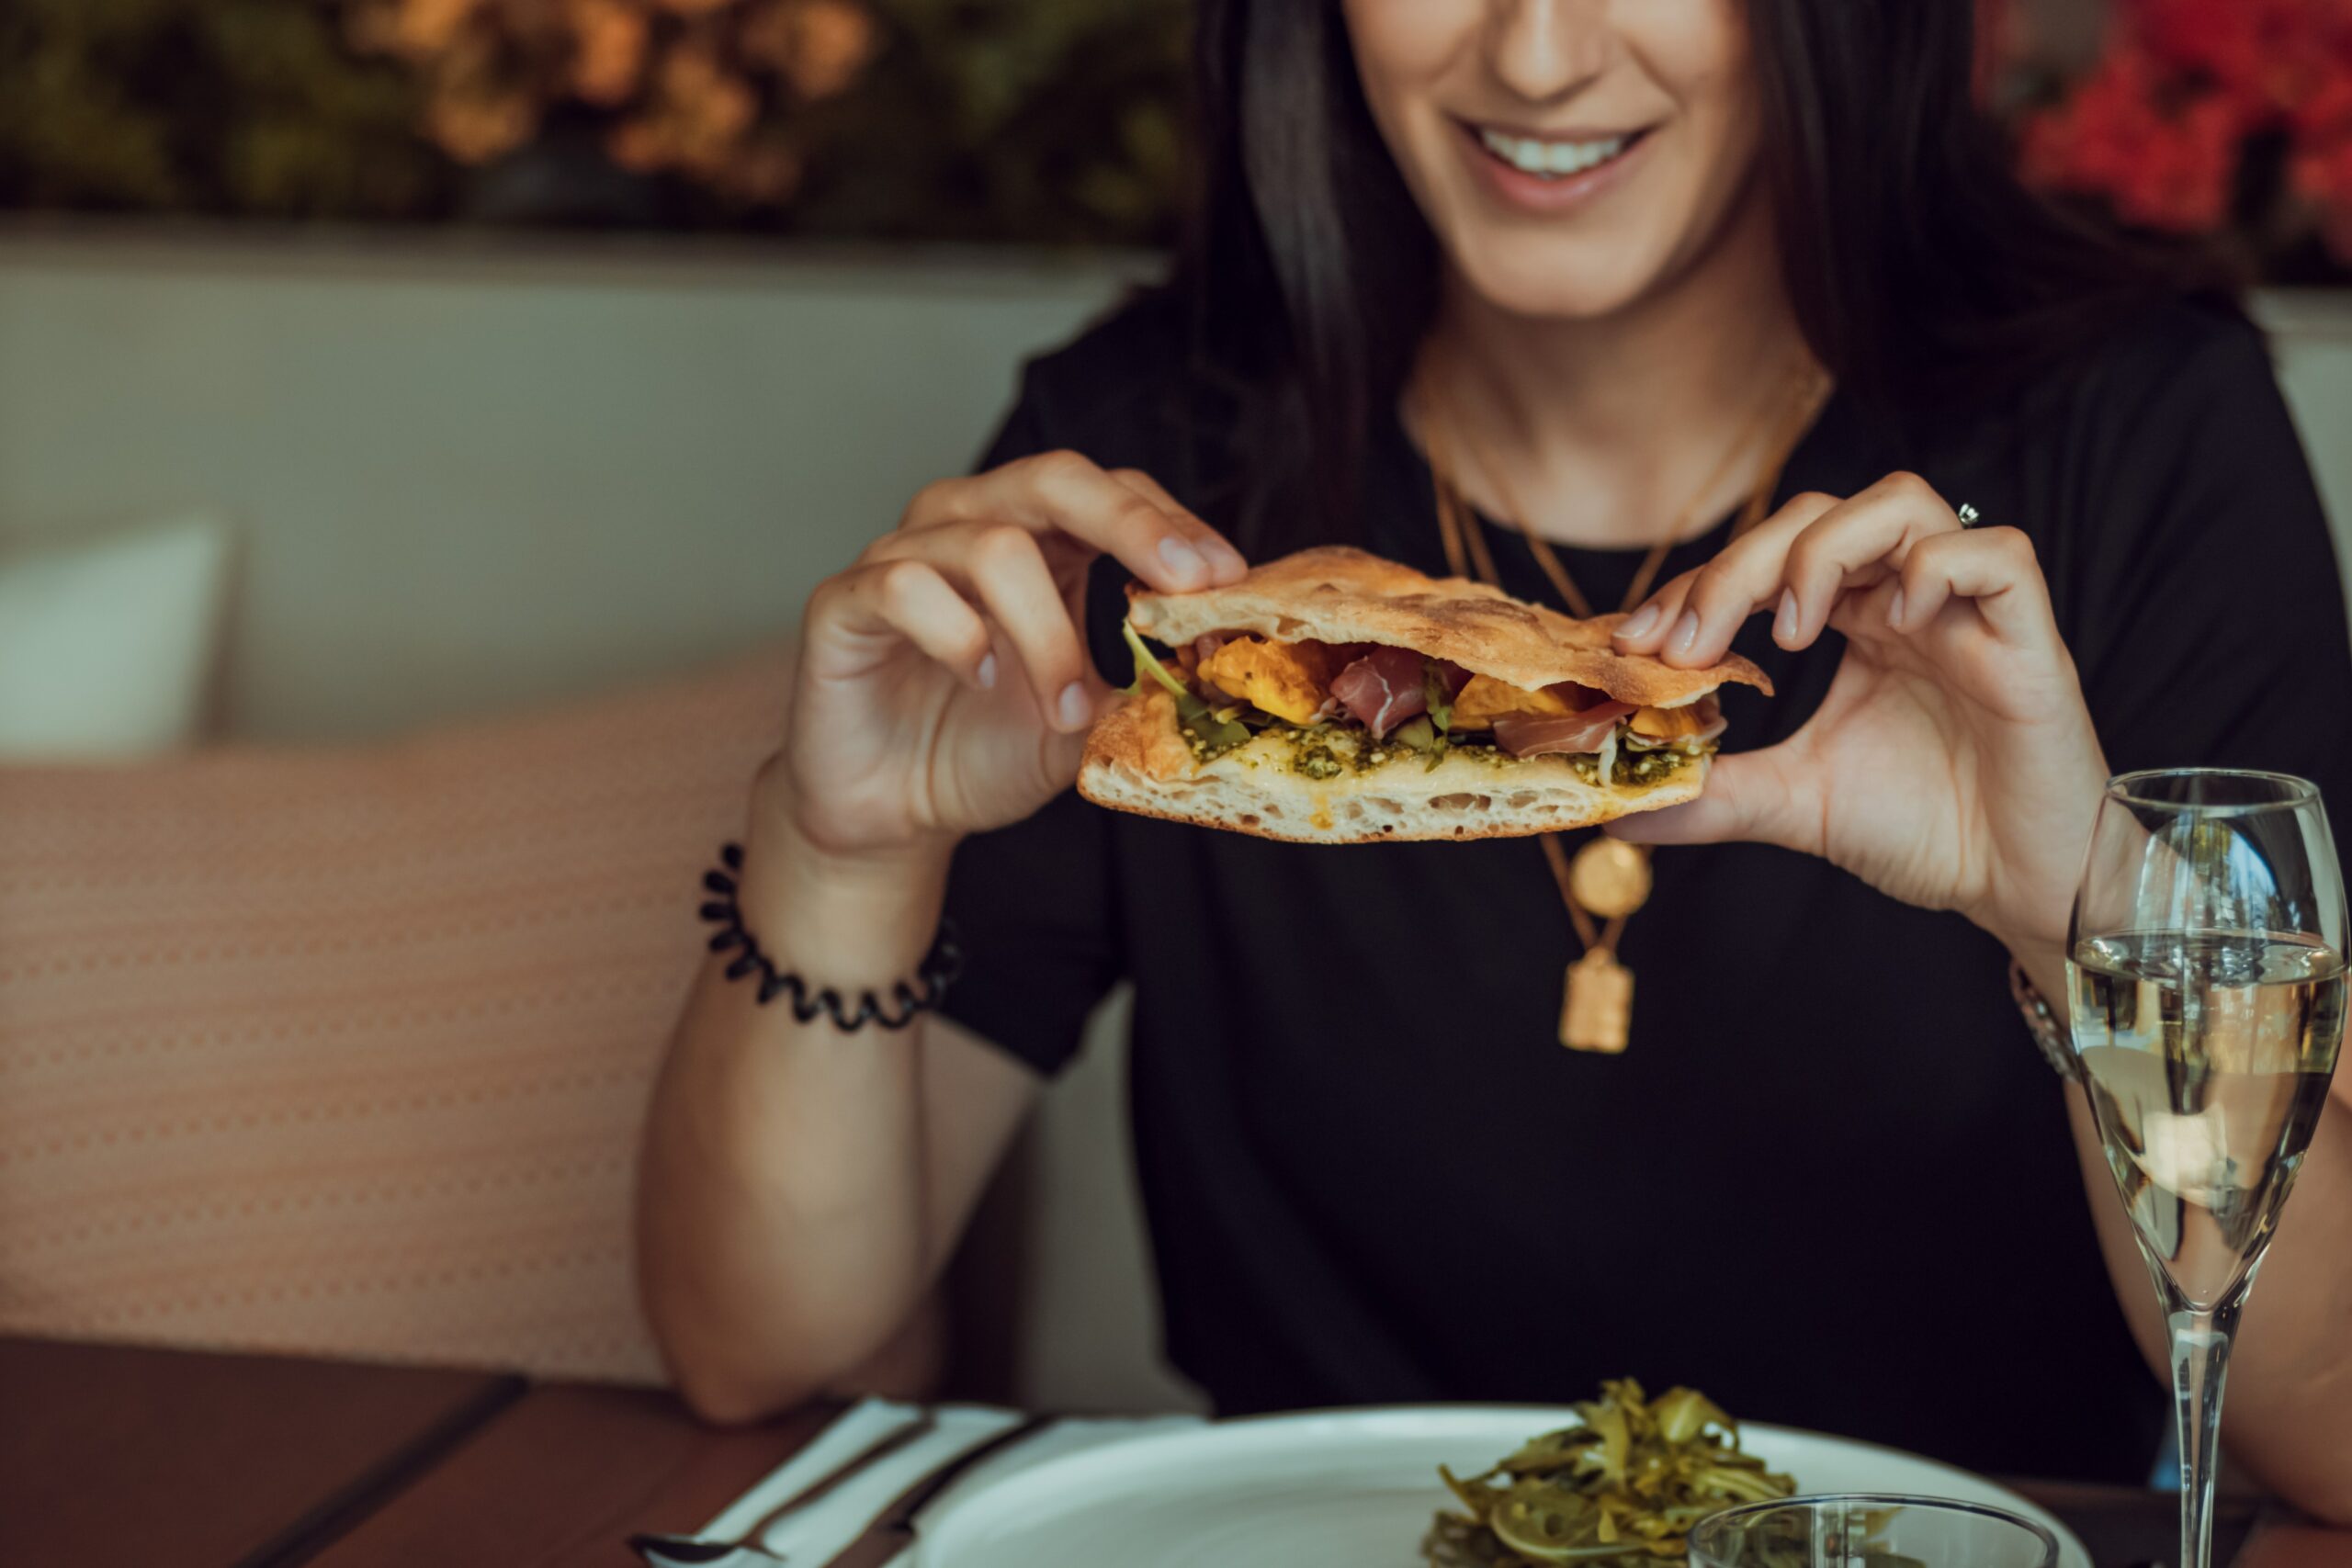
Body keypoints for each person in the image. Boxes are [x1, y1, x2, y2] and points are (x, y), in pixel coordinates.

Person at [637, 0, 2352, 1517]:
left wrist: (2076, 917)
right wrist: (840, 849)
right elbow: (760, 1361)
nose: (1536, 50)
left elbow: (2329, 1434)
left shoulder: (2136, 445)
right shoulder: (1147, 490)